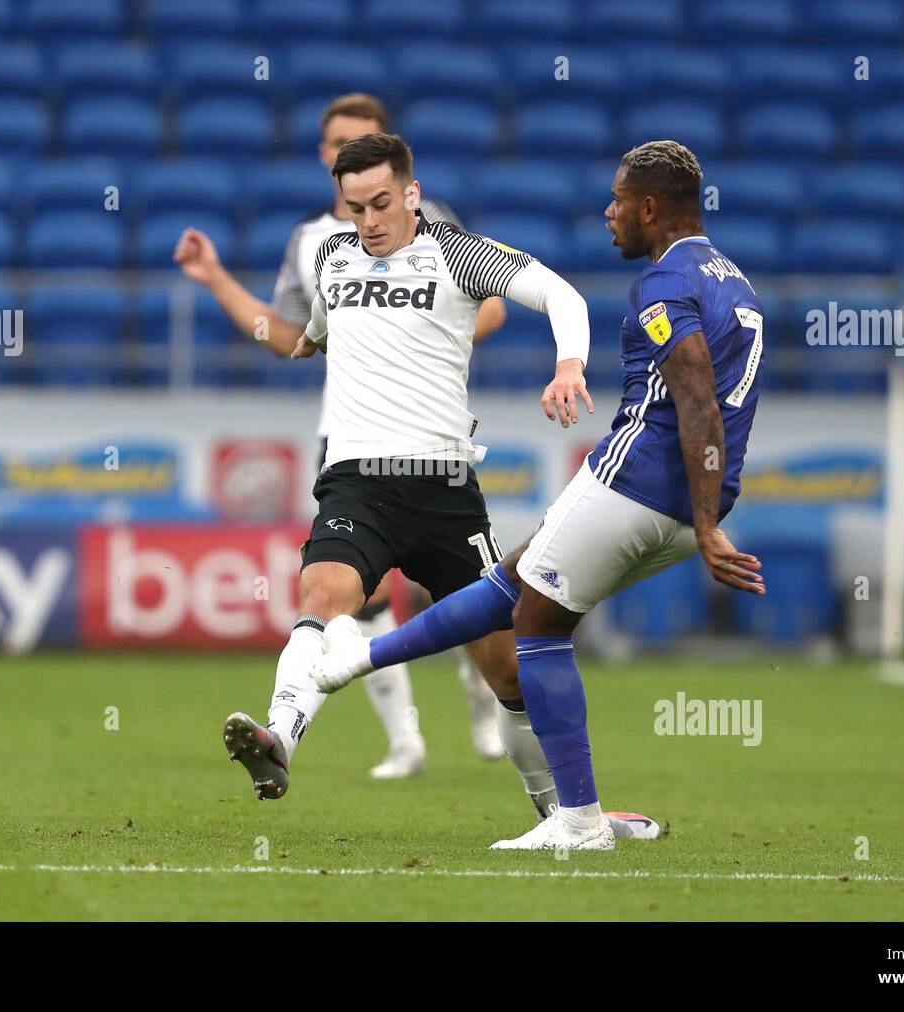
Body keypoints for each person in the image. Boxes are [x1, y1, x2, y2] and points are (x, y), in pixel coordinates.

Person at [312, 140, 767, 851]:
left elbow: (697, 396)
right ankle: (357, 665)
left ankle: (578, 820)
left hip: (637, 481)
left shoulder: (665, 283)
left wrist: (707, 524)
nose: (608, 212)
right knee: (511, 587)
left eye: (618, 200)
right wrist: (707, 515)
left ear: (650, 208)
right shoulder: (731, 278)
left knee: (535, 624)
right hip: (691, 503)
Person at [220, 132, 615, 835]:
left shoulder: (457, 252)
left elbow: (561, 293)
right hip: (357, 481)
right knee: (322, 597)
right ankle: (279, 739)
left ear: (410, 193)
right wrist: (299, 336)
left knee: (509, 674)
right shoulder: (332, 257)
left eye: (379, 203)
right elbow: (314, 328)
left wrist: (570, 364)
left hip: (443, 491)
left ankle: (560, 815)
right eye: (354, 208)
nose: (368, 221)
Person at [174, 94, 506, 778]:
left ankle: (483, 691)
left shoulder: (431, 223)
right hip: (350, 442)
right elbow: (292, 336)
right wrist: (214, 280)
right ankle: (390, 740)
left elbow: (494, 306)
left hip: (430, 439)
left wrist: (413, 347)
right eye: (334, 142)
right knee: (351, 594)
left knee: (474, 612)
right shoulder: (311, 245)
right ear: (324, 156)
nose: (344, 150)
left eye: (360, 139)